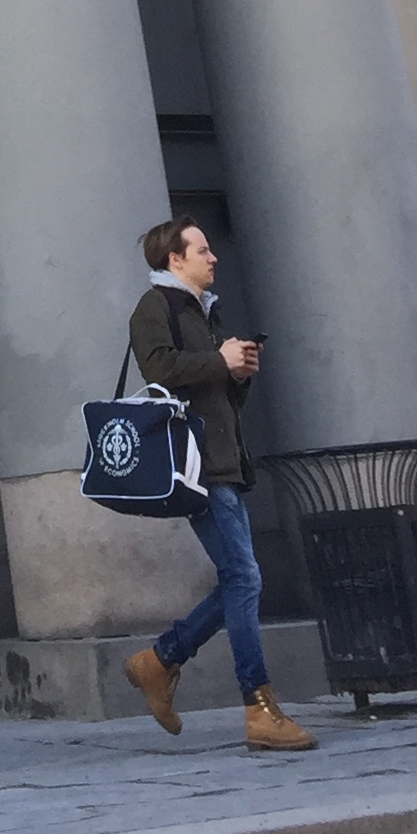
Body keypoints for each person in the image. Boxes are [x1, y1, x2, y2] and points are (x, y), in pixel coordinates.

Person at [121, 216, 316, 751]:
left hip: (222, 460)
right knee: (245, 577)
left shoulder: (204, 311)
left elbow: (216, 395)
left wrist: (238, 373)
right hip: (195, 465)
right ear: (174, 259)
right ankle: (258, 706)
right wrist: (218, 360)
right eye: (202, 250)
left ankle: (159, 660)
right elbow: (158, 371)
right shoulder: (155, 307)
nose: (213, 258)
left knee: (240, 578)